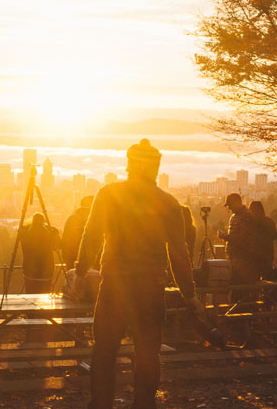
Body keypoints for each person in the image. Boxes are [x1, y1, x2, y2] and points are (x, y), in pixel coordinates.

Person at [75, 139, 203, 409]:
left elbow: (91, 236)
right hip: (151, 287)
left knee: (104, 350)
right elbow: (179, 253)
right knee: (147, 353)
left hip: (114, 285)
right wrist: (188, 293)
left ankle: (101, 403)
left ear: (129, 165)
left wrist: (80, 270)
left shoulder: (109, 194)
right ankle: (144, 404)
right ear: (155, 169)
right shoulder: (168, 203)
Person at [218, 193, 261, 293]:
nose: (229, 208)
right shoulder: (236, 215)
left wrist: (225, 236)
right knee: (236, 291)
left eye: (230, 205)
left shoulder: (246, 216)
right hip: (236, 260)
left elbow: (241, 239)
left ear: (237, 203)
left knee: (240, 292)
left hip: (243, 261)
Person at [20, 212, 60, 293]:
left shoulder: (27, 234)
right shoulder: (48, 234)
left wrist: (22, 231)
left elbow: (23, 241)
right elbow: (57, 247)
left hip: (30, 271)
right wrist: (55, 234)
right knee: (45, 293)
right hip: (46, 271)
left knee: (31, 294)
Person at [61, 196, 94, 270]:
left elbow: (65, 240)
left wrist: (66, 258)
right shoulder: (93, 220)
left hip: (70, 260)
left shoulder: (71, 218)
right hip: (89, 262)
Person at [248, 201, 277, 279]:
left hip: (255, 257)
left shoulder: (251, 222)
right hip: (267, 256)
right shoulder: (269, 221)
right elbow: (275, 236)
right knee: (268, 279)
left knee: (255, 280)